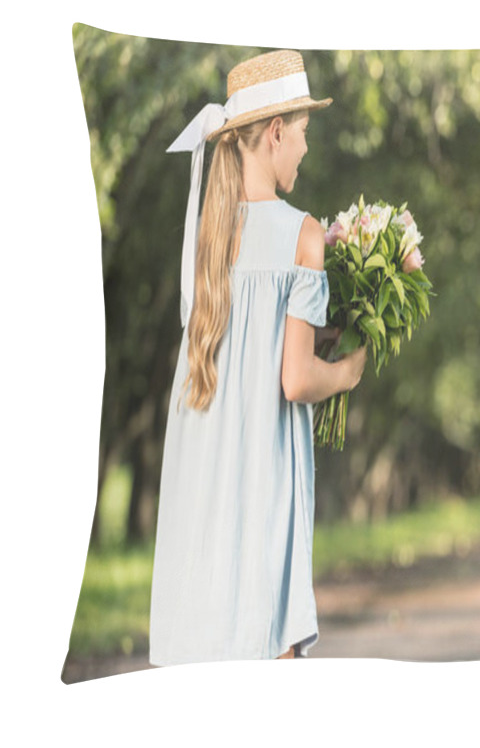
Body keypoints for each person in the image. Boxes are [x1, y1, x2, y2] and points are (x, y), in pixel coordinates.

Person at [149, 49, 367, 665]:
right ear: (274, 132)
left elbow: (247, 345)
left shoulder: (207, 234)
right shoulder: (302, 233)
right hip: (259, 479)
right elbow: (295, 380)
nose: (305, 148)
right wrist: (346, 371)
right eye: (302, 133)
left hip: (203, 483)